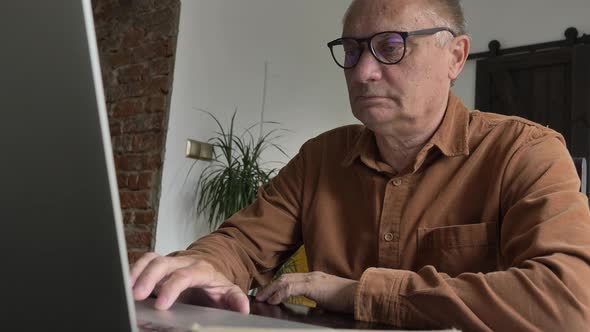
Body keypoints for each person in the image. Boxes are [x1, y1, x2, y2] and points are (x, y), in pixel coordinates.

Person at [131, 0, 590, 330]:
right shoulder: (321, 158)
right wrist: (201, 265)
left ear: (455, 56)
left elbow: (569, 301)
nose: (362, 71)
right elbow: (241, 244)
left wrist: (357, 292)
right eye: (352, 50)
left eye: (390, 46)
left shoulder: (525, 152)